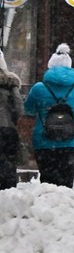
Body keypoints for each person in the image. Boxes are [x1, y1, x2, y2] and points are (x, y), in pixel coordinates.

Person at [23, 43, 74, 188]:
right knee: (66, 186)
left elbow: (28, 110)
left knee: (47, 185)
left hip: (44, 142)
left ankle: (46, 208)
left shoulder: (39, 88)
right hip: (72, 143)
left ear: (51, 66)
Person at [0, 49, 22, 190]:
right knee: (9, 162)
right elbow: (19, 107)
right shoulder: (11, 82)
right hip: (7, 129)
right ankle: (8, 191)